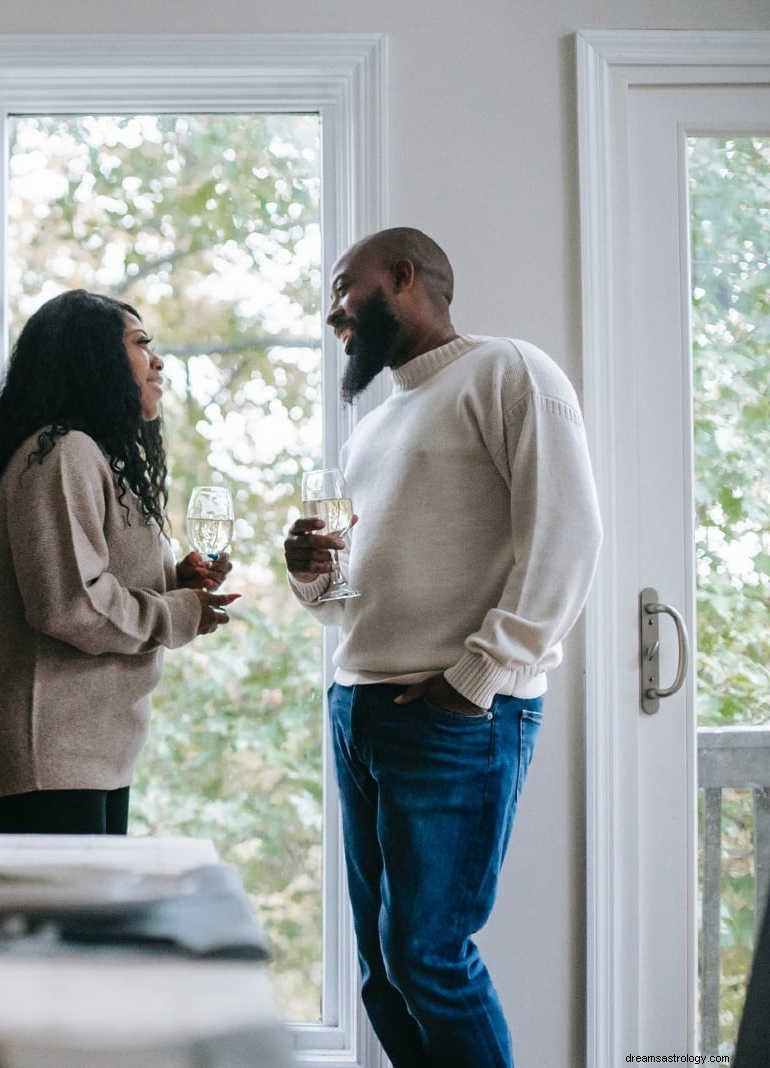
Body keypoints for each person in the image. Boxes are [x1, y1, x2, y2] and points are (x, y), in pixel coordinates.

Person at [283, 228, 601, 1067]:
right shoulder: (372, 427)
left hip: (452, 715)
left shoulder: (510, 372)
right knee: (383, 975)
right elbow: (352, 598)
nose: (332, 314)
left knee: (427, 959)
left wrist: (479, 678)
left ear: (403, 276)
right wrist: (313, 575)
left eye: (343, 288)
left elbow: (567, 534)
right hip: (361, 710)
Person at [0, 289, 238, 835]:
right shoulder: (64, 453)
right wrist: (179, 612)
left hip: (84, 751)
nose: (157, 361)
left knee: (80, 920)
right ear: (95, 359)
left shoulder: (89, 457)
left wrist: (178, 582)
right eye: (140, 344)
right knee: (71, 920)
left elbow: (94, 577)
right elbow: (69, 604)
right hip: (50, 752)